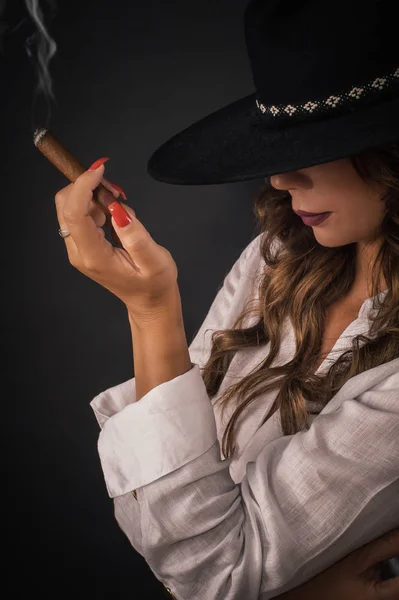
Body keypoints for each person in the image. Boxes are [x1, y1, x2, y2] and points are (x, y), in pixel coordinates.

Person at [53, 0, 399, 598]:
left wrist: (151, 313)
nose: (280, 179)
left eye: (318, 143)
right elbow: (154, 520)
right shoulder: (277, 257)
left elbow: (209, 573)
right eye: (278, 149)